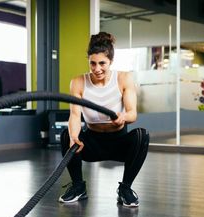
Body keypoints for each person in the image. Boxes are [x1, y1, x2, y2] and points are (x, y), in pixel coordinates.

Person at [59, 32, 149, 207]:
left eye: (102, 63)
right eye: (92, 63)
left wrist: (123, 118)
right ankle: (78, 187)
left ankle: (125, 189)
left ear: (111, 62)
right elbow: (75, 115)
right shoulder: (78, 82)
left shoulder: (124, 78)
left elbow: (132, 114)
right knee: (66, 135)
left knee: (142, 135)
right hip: (92, 143)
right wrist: (74, 138)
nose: (97, 68)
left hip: (119, 142)